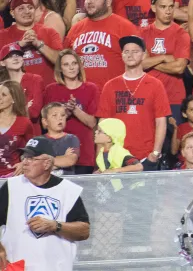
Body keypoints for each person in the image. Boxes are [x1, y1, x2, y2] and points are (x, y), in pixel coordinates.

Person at [0, 137, 90, 269]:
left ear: (47, 163)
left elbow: (84, 231)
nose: (25, 162)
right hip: (17, 267)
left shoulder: (68, 191)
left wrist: (55, 226)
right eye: (24, 157)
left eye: (31, 158)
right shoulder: (11, 187)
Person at [96, 35, 169, 164]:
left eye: (135, 51)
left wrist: (156, 153)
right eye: (126, 51)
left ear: (143, 55)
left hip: (146, 156)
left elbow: (161, 121)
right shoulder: (110, 86)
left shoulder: (155, 85)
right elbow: (103, 124)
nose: (130, 55)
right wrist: (100, 158)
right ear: (122, 55)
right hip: (116, 156)